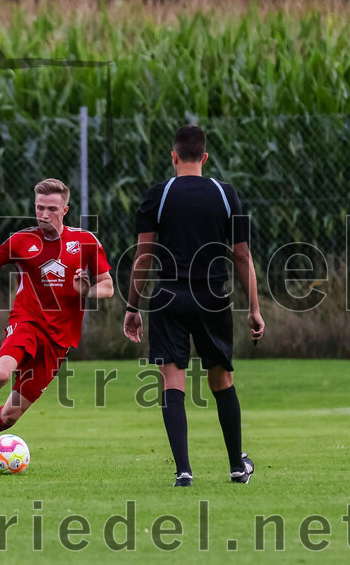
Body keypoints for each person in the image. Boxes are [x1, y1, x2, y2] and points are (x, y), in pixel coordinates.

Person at [0, 178, 114, 467]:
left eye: (51, 209)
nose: (43, 214)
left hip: (59, 341)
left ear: (65, 209)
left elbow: (108, 287)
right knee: (1, 373)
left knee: (10, 416)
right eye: (39, 208)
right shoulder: (21, 241)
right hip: (26, 323)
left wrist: (86, 291)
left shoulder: (86, 243)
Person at [123, 125, 265, 487]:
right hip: (213, 297)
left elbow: (144, 256)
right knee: (222, 380)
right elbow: (242, 254)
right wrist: (254, 308)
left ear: (174, 157)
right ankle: (236, 466)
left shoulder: (160, 193)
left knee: (173, 380)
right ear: (204, 157)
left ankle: (184, 471)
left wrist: (132, 306)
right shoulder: (225, 193)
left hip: (168, 296)